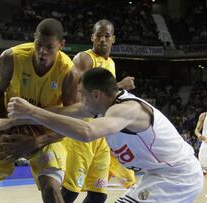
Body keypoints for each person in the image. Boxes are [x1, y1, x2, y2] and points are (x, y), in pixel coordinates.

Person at [0, 68, 204, 203]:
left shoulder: (127, 110)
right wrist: (16, 120)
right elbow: (60, 113)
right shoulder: (102, 105)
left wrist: (32, 110)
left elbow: (87, 132)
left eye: (82, 94)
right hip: (156, 175)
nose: (79, 99)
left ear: (96, 94)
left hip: (178, 176)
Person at [0, 18, 76, 203]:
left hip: (46, 135)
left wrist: (37, 141)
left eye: (49, 47)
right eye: (39, 45)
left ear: (61, 45)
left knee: (51, 188)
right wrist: (0, 131)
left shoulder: (68, 72)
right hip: (9, 128)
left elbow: (72, 120)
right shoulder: (11, 58)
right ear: (34, 38)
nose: (42, 52)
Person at [61, 19, 135, 203]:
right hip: (81, 134)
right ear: (92, 37)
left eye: (107, 36)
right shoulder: (84, 59)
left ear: (113, 39)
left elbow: (105, 100)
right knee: (69, 192)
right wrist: (118, 86)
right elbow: (75, 97)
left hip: (100, 136)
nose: (102, 39)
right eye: (99, 35)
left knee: (98, 195)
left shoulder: (110, 63)